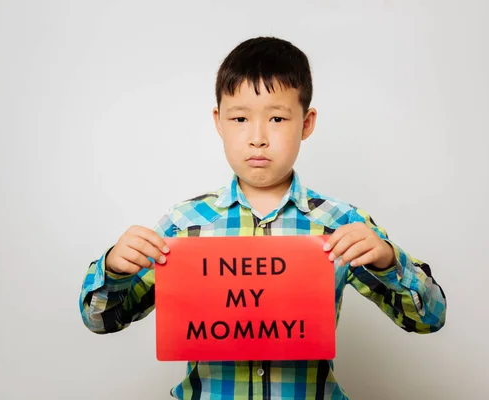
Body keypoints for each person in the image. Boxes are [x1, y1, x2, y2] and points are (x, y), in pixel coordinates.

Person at [79, 36, 447, 400]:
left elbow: (429, 318)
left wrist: (387, 258)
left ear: (306, 123)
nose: (257, 137)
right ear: (218, 122)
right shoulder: (183, 224)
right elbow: (101, 320)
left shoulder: (342, 223)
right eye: (239, 118)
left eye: (276, 118)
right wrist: (114, 268)